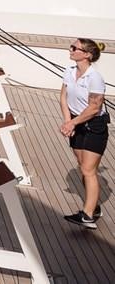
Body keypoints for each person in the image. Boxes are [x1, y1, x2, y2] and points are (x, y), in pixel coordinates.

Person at [60, 37, 109, 229]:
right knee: (82, 166)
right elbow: (63, 97)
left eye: (74, 48)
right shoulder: (69, 71)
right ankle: (93, 206)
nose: (70, 49)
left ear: (87, 54)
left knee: (88, 170)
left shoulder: (94, 77)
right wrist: (67, 122)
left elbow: (94, 108)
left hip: (94, 126)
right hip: (76, 123)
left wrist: (72, 123)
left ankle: (88, 216)